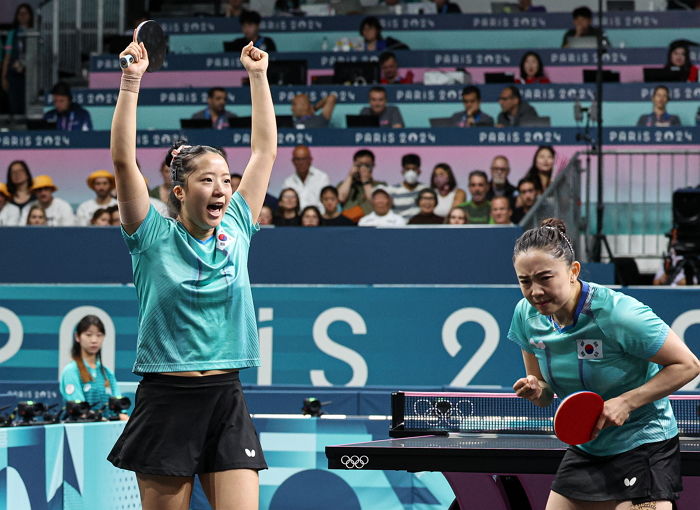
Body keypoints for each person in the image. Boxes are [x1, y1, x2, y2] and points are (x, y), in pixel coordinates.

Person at [106, 36, 275, 510]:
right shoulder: (152, 235)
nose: (222, 188)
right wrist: (131, 80)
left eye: (226, 179)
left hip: (226, 395)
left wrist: (258, 77)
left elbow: (264, 153)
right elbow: (124, 161)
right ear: (179, 191)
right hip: (167, 397)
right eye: (207, 179)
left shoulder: (239, 223)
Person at [510, 218, 699, 510]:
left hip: (643, 443)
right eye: (525, 281)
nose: (535, 291)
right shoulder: (526, 315)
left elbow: (687, 364)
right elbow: (545, 393)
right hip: (589, 447)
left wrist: (626, 402)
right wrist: (537, 390)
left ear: (573, 271)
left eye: (545, 278)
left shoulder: (618, 313)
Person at [60, 315, 128, 420]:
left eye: (99, 335)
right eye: (88, 335)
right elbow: (79, 410)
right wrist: (99, 419)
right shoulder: (71, 371)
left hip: (108, 430)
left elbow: (119, 407)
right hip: (79, 431)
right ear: (77, 337)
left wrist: (122, 416)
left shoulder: (107, 373)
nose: (94, 340)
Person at [1, 3, 33, 115]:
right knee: (15, 106)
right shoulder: (11, 34)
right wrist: (3, 77)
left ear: (30, 15)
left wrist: (26, 65)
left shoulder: (35, 32)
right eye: (20, 13)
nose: (22, 15)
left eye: (25, 13)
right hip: (13, 76)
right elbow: (7, 56)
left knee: (28, 106)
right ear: (17, 16)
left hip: (30, 76)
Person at [337, 149, 387, 219]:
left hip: (371, 223)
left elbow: (375, 201)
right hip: (348, 223)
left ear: (373, 165)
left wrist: (365, 181)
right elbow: (340, 198)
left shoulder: (380, 185)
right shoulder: (345, 184)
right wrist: (350, 176)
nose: (363, 168)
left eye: (367, 165)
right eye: (359, 165)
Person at [281, 145, 330, 209]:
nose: (301, 162)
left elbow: (326, 203)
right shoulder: (288, 182)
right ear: (293, 161)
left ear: (310, 160)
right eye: (298, 159)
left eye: (304, 159)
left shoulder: (322, 178)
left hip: (318, 217)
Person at [389, 153, 428, 220]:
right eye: (407, 169)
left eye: (414, 169)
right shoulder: (392, 190)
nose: (411, 173)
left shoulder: (425, 189)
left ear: (419, 171)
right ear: (402, 171)